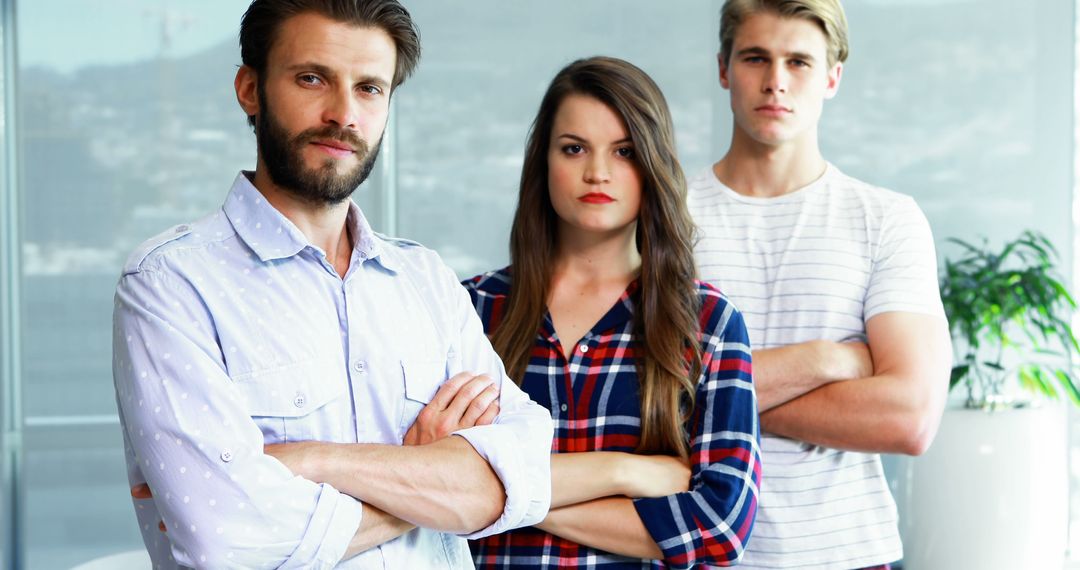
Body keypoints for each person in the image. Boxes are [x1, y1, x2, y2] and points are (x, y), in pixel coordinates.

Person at [112, 1, 553, 568]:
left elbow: (523, 478)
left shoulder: (425, 280)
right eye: (312, 78)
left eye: (370, 88)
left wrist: (309, 460)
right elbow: (224, 539)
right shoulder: (169, 284)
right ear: (250, 89)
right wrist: (430, 484)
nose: (344, 114)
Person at [461, 56, 760, 568]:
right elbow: (422, 482)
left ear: (651, 163)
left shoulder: (708, 321)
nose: (596, 172)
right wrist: (623, 472)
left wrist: (494, 493)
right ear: (543, 162)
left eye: (623, 151)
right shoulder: (470, 309)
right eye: (573, 148)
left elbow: (720, 526)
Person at [689, 1, 953, 568]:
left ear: (833, 76)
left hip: (847, 553)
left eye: (799, 62)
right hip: (694, 551)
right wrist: (828, 360)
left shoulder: (887, 219)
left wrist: (706, 399)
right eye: (756, 57)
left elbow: (910, 417)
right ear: (723, 69)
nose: (776, 82)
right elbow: (640, 397)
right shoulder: (664, 219)